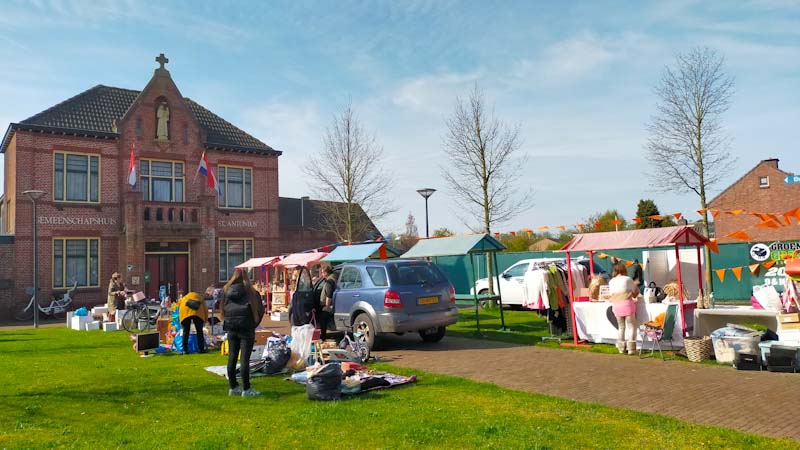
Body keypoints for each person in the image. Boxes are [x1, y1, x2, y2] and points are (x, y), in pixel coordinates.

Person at [220, 269, 265, 397]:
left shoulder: (226, 291)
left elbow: (221, 308)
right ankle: (246, 389)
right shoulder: (251, 292)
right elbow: (260, 310)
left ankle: (233, 387)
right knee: (245, 359)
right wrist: (254, 324)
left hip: (231, 327)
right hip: (246, 328)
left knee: (232, 357)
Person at [608, 262, 640, 355]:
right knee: (631, 327)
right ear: (624, 270)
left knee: (621, 327)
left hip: (616, 305)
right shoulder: (628, 279)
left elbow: (611, 294)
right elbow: (634, 294)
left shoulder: (611, 281)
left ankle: (621, 348)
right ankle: (631, 349)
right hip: (627, 305)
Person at [316, 266, 337, 340]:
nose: (322, 274)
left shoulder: (329, 281)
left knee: (323, 318)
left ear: (326, 273)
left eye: (322, 272)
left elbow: (329, 295)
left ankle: (323, 337)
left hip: (330, 306)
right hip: (335, 304)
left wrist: (327, 306)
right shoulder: (334, 278)